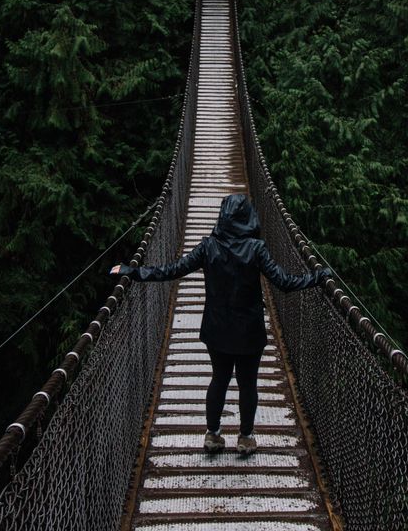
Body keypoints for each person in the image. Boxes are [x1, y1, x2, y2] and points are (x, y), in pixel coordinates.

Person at [110, 193, 331, 456]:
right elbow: (284, 282)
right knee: (248, 383)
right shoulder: (256, 249)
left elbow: (173, 270)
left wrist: (133, 272)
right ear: (249, 218)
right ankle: (246, 437)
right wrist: (317, 277)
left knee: (219, 379)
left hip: (217, 329)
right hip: (249, 331)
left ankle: (213, 434)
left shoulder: (208, 246)